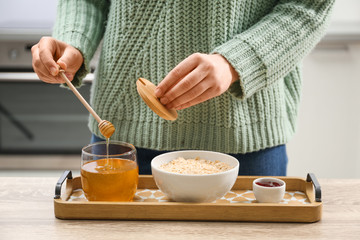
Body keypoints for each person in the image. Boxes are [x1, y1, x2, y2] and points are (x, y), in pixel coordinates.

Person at [32, 0, 334, 176]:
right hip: (122, 140)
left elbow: (308, 6)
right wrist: (73, 40)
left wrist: (235, 62)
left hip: (243, 140)